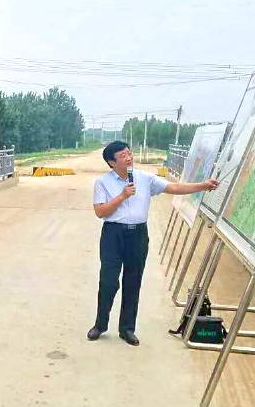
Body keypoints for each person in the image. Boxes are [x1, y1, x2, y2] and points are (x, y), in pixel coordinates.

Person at [87, 141, 219, 346]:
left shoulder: (144, 178)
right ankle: (100, 325)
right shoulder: (102, 183)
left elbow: (173, 187)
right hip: (113, 235)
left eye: (129, 153)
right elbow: (100, 211)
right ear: (112, 162)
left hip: (138, 235)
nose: (129, 158)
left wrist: (203, 185)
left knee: (133, 281)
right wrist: (122, 196)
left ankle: (127, 329)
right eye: (123, 156)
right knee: (108, 281)